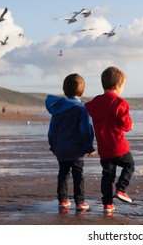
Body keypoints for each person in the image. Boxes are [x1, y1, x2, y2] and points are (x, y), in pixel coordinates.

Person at [85, 66, 134, 213]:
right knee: (129, 165)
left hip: (104, 148)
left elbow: (88, 109)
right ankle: (121, 189)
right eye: (123, 86)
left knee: (107, 175)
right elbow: (126, 125)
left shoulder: (95, 103)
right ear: (117, 86)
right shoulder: (120, 102)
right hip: (119, 146)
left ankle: (107, 204)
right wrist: (131, 125)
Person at [45, 73, 95, 211]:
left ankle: (63, 200)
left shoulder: (57, 110)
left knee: (63, 173)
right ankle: (80, 202)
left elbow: (52, 131)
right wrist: (89, 146)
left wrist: (53, 146)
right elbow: (86, 129)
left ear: (64, 90)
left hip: (61, 148)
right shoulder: (81, 109)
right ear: (82, 91)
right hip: (76, 149)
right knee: (78, 174)